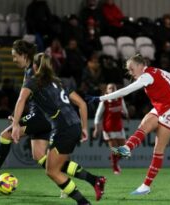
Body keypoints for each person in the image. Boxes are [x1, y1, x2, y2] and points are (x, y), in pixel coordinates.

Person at [0, 40, 105, 200]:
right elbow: (67, 102)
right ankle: (91, 180)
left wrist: (16, 123)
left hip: (45, 119)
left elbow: (22, 100)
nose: (13, 60)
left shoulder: (32, 75)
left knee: (7, 135)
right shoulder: (54, 79)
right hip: (58, 121)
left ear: (24, 56)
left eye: (15, 56)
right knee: (40, 157)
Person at [86, 54, 170, 195]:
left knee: (158, 150)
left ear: (140, 66)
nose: (131, 73)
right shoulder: (156, 70)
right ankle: (126, 148)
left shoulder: (146, 76)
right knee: (144, 124)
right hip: (160, 108)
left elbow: (125, 91)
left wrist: (100, 98)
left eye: (132, 69)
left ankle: (146, 186)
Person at [12, 53, 106, 204]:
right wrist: (84, 128)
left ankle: (83, 201)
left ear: (35, 67)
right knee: (55, 165)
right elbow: (81, 104)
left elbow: (21, 100)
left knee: (52, 171)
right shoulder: (60, 82)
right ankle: (95, 180)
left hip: (63, 129)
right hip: (73, 125)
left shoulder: (33, 81)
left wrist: (16, 124)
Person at [93, 83, 128, 175]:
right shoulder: (104, 101)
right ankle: (115, 167)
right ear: (107, 91)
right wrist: (96, 128)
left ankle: (114, 160)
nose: (112, 90)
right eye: (110, 88)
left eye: (114, 88)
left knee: (124, 152)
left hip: (119, 127)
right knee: (115, 149)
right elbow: (97, 115)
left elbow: (124, 109)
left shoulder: (120, 98)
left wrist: (126, 114)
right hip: (108, 128)